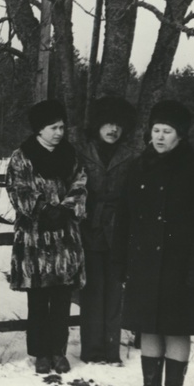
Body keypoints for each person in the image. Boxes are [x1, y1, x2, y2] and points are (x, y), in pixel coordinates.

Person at [113, 100, 194, 386]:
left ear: (180, 135)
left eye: (167, 131)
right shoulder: (137, 166)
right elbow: (124, 217)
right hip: (143, 263)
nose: (159, 137)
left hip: (180, 265)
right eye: (155, 130)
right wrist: (122, 262)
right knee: (149, 327)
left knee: (176, 329)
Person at [6, 99, 87, 374]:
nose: (59, 132)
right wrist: (41, 209)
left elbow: (80, 184)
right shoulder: (22, 156)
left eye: (62, 127)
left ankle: (58, 352)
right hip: (35, 239)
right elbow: (17, 189)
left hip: (64, 238)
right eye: (54, 127)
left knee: (62, 296)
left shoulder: (70, 155)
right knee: (39, 298)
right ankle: (41, 353)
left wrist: (65, 210)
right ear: (40, 129)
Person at [77, 96, 138, 363]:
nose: (113, 129)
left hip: (119, 231)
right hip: (88, 228)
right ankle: (92, 351)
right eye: (108, 123)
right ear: (97, 125)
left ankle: (112, 351)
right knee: (92, 291)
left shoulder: (132, 157)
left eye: (118, 125)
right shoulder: (82, 153)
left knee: (115, 291)